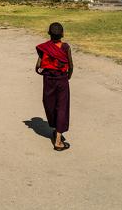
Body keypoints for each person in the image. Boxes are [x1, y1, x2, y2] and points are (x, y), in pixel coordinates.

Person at [35, 22, 73, 151]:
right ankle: (58, 140)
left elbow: (38, 67)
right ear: (62, 34)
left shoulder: (44, 48)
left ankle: (55, 128)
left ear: (49, 34)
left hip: (49, 80)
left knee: (49, 103)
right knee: (62, 106)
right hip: (62, 79)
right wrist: (68, 77)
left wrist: (44, 72)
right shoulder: (66, 47)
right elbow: (71, 65)